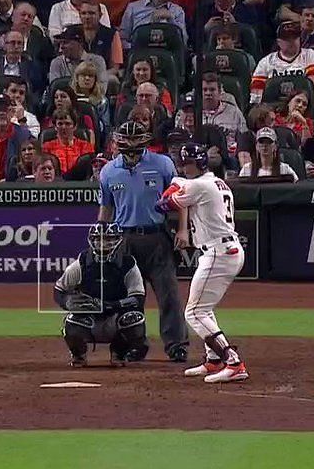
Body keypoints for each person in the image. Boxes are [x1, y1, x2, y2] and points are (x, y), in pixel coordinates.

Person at [155, 142, 246, 383]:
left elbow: (163, 204)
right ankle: (213, 360)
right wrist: (181, 184)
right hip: (224, 249)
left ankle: (233, 361)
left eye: (189, 164)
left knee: (194, 312)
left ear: (201, 164)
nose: (185, 167)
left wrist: (176, 184)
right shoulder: (217, 182)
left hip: (218, 251)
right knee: (204, 308)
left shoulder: (197, 185)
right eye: (183, 164)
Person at [98, 120, 188, 362]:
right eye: (126, 148)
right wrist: (101, 234)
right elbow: (106, 207)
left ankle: (176, 345)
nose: (131, 155)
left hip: (157, 235)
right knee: (129, 297)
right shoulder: (108, 171)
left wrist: (182, 229)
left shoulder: (162, 164)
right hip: (124, 237)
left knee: (168, 294)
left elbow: (180, 198)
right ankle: (134, 344)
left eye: (135, 148)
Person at [54, 222, 149, 367]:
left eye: (108, 239)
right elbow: (59, 289)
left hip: (116, 317)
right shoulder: (82, 262)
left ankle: (119, 353)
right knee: (71, 321)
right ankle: (78, 354)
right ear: (91, 240)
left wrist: (110, 305)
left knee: (135, 319)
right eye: (98, 239)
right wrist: (67, 302)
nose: (103, 244)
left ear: (118, 240)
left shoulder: (128, 264)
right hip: (90, 318)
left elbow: (138, 298)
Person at [250, 22, 314, 104]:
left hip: (302, 104)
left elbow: (311, 85)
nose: (292, 42)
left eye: (295, 38)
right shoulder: (266, 62)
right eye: (287, 39)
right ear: (279, 42)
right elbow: (256, 92)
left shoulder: (311, 55)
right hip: (272, 107)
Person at [119, 0, 188, 50]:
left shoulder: (177, 11)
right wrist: (136, 47)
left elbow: (184, 42)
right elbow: (122, 39)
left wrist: (171, 19)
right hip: (140, 55)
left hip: (168, 54)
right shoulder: (133, 8)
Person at [43, 109, 95, 176]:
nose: (63, 127)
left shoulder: (86, 146)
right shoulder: (46, 147)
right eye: (60, 124)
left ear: (75, 126)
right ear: (55, 127)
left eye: (67, 124)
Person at [77, 0, 123, 72]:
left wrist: (97, 78)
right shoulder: (71, 32)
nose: (87, 17)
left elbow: (115, 68)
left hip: (103, 76)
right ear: (79, 15)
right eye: (83, 13)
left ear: (100, 15)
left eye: (91, 13)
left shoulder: (112, 34)